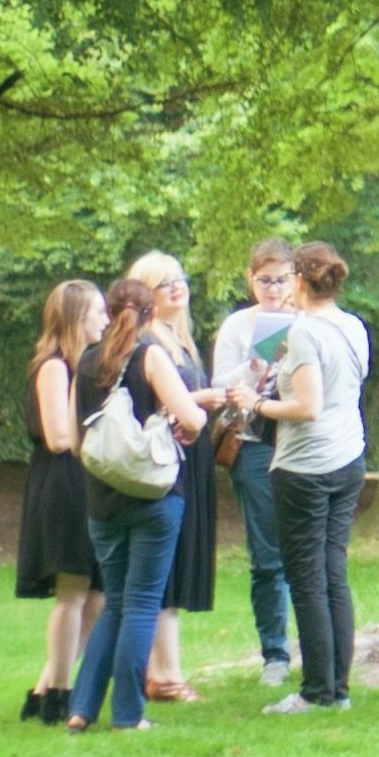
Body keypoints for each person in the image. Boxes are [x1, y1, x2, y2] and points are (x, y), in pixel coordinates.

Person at [65, 275, 208, 731]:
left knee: (116, 601)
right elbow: (191, 416)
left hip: (101, 501)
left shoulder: (87, 362)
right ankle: (128, 715)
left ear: (109, 313)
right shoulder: (150, 356)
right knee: (143, 602)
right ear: (149, 316)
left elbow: (73, 439)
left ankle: (81, 709)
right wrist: (191, 419)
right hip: (155, 498)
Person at [249, 241, 371, 715]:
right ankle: (337, 688)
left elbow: (307, 407)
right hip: (349, 459)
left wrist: (254, 404)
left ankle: (317, 690)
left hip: (305, 468)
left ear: (300, 281)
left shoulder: (305, 333)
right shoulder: (353, 326)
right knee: (332, 572)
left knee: (306, 577)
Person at [121, 253, 229, 706]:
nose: (176, 288)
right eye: (163, 283)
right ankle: (162, 675)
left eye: (179, 279)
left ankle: (164, 669)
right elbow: (151, 404)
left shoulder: (179, 339)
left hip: (192, 457)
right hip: (169, 461)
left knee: (178, 561)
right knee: (163, 566)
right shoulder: (147, 342)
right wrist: (201, 399)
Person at [212, 239, 304, 687]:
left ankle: (316, 643)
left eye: (281, 279)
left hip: (302, 443)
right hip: (252, 443)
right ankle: (275, 652)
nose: (272, 288)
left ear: (296, 279)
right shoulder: (237, 326)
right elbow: (219, 386)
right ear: (251, 279)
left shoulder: (310, 321)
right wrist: (255, 364)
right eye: (264, 279)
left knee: (306, 549)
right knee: (267, 555)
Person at [16, 279, 104, 726]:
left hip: (85, 479)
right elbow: (58, 436)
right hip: (63, 482)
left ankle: (45, 685)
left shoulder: (85, 365)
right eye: (98, 312)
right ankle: (60, 696)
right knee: (72, 591)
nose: (106, 320)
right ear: (77, 317)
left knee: (97, 596)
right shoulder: (54, 367)